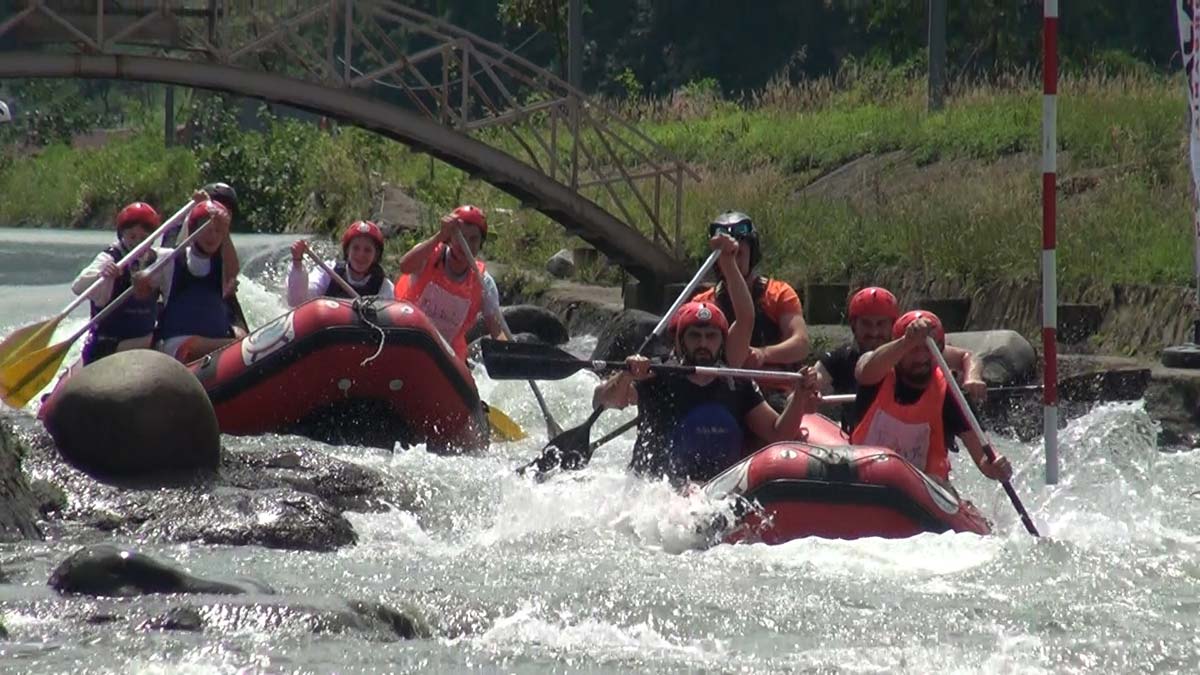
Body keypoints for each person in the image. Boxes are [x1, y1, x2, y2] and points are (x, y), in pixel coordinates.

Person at [593, 235, 819, 485]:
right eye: (695, 336)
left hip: (717, 494)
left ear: (722, 342)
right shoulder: (657, 375)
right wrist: (626, 375)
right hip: (660, 494)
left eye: (711, 336)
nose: (703, 343)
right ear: (680, 342)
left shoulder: (736, 382)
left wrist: (799, 396)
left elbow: (779, 433)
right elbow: (602, 399)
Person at [851, 310, 1012, 489]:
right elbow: (865, 371)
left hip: (925, 488)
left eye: (927, 349)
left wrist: (994, 465)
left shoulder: (950, 393)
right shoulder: (878, 371)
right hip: (864, 477)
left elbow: (981, 454)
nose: (921, 358)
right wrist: (907, 341)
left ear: (939, 351)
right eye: (913, 350)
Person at [816, 286, 987, 431]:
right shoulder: (840, 358)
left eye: (881, 324)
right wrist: (809, 390)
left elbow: (968, 356)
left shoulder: (915, 353)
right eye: (866, 324)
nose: (874, 332)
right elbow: (815, 378)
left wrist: (972, 377)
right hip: (863, 444)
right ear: (854, 325)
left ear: (893, 325)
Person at [691, 212, 809, 405]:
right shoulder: (703, 303)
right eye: (727, 256)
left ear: (752, 254)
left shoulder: (779, 293)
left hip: (775, 393)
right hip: (725, 396)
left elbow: (801, 343)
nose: (733, 262)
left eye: (738, 255)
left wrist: (763, 354)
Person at [394, 205, 506, 361]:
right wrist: (440, 236)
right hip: (406, 337)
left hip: (445, 353)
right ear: (451, 237)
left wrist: (509, 355)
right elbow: (405, 266)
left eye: (473, 239)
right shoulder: (428, 255)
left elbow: (497, 331)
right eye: (461, 237)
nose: (465, 244)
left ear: (481, 243)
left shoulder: (484, 283)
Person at [71, 202, 173, 365]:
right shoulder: (109, 258)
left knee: (167, 336)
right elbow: (78, 287)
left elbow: (191, 249)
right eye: (132, 236)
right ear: (122, 235)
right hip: (109, 344)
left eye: (144, 238)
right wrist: (103, 274)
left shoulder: (160, 260)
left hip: (142, 339)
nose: (138, 243)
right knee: (157, 340)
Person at [154, 200, 248, 363]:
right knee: (231, 345)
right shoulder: (169, 259)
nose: (212, 236)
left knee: (242, 338)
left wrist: (225, 229)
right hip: (180, 347)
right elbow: (140, 270)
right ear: (193, 231)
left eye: (218, 231)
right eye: (207, 230)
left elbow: (232, 272)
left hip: (216, 343)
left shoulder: (223, 265)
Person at [287, 220, 394, 305]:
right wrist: (297, 263)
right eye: (356, 248)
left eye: (368, 250)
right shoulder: (328, 271)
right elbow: (298, 301)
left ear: (376, 256)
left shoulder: (384, 286)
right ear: (347, 251)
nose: (361, 255)